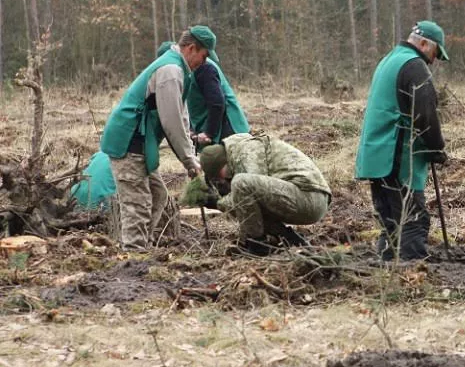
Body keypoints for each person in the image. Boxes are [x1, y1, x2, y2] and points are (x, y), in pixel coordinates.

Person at [99, 26, 217, 250]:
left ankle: (144, 244)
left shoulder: (180, 70)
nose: (203, 63)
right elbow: (170, 122)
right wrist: (188, 161)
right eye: (203, 57)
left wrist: (192, 158)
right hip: (128, 141)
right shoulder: (170, 70)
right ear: (192, 48)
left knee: (158, 194)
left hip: (142, 144)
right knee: (138, 203)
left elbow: (181, 116)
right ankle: (133, 254)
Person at [355, 21, 449, 261]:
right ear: (425, 43)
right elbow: (425, 112)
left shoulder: (389, 60)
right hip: (397, 157)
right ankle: (411, 275)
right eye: (435, 53)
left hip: (376, 157)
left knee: (390, 221)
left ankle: (388, 271)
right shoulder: (414, 65)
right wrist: (437, 148)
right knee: (413, 219)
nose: (434, 60)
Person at [197, 132, 331, 255]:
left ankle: (257, 245)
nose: (223, 180)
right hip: (306, 196)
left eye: (220, 176)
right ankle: (288, 238)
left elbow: (246, 193)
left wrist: (217, 203)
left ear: (223, 163)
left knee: (241, 184)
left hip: (309, 196)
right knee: (248, 201)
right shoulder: (239, 152)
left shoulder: (247, 151)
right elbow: (251, 204)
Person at [156, 41, 250, 147]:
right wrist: (191, 128)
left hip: (229, 128)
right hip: (210, 126)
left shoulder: (203, 68)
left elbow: (216, 103)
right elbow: (188, 104)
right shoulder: (182, 71)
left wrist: (208, 133)